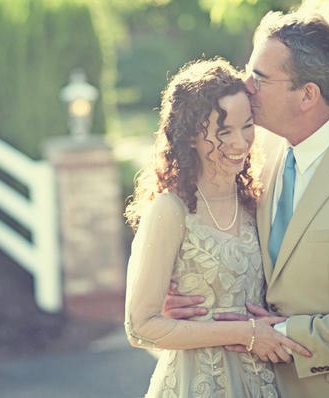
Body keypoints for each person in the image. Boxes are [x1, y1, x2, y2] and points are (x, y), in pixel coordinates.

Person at [162, 7, 329, 397]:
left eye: (260, 77)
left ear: (307, 94)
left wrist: (287, 336)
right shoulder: (253, 151)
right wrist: (194, 296)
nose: (245, 85)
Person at [123, 58, 311, 398]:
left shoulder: (260, 200)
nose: (240, 142)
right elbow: (140, 328)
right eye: (223, 132)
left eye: (247, 126)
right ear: (192, 135)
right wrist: (245, 333)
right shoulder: (170, 210)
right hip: (195, 384)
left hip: (266, 382)